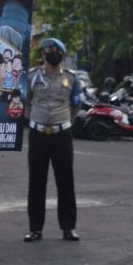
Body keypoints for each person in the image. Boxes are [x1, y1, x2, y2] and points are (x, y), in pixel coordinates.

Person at [23, 37, 82, 242]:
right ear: (43, 54)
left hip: (62, 134)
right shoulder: (31, 76)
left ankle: (68, 228)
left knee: (65, 182)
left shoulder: (72, 78)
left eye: (56, 51)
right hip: (38, 134)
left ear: (63, 55)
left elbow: (76, 104)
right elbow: (26, 102)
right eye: (49, 51)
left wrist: (65, 122)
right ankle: (35, 228)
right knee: (36, 182)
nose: (52, 54)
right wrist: (35, 119)